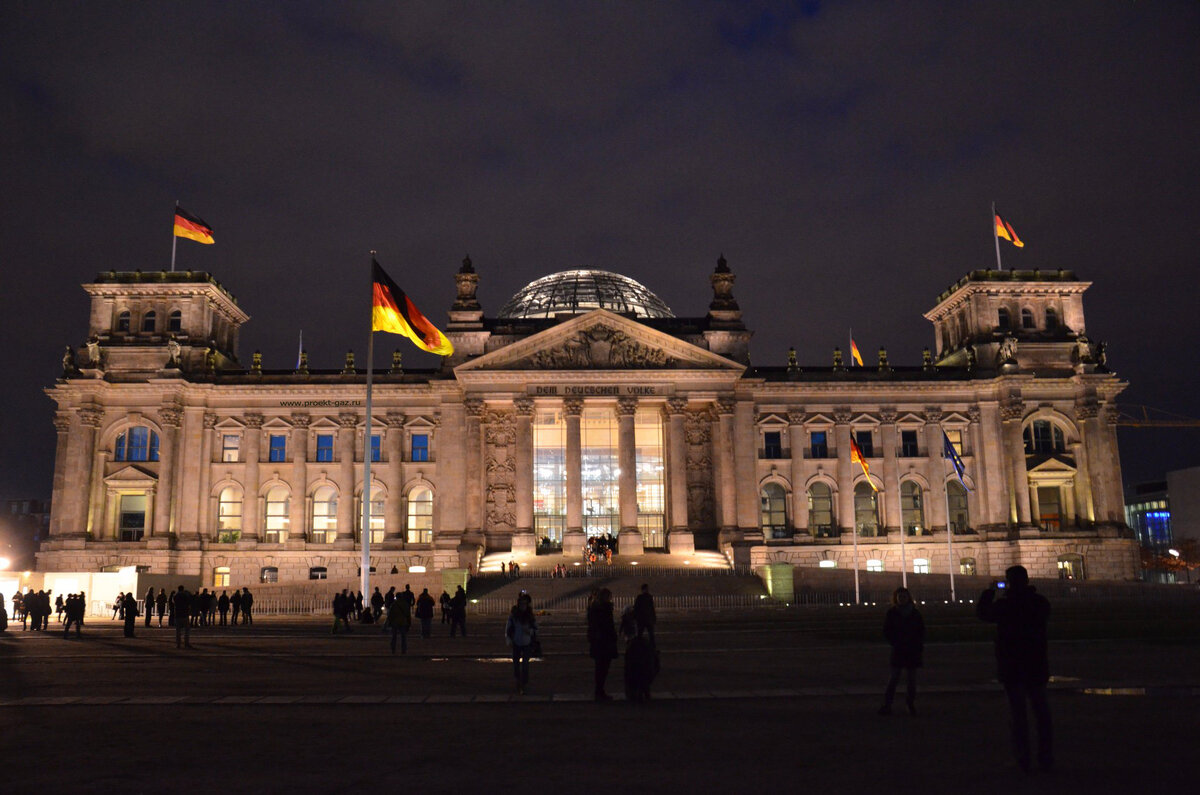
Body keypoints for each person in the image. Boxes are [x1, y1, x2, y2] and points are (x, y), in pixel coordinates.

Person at [977, 565, 1053, 773]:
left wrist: (990, 591)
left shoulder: (1005, 605)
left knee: (1018, 715)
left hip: (1013, 666)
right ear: (1027, 580)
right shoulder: (1040, 602)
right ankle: (1046, 758)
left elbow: (982, 613)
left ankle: (1023, 759)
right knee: (1042, 713)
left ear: (1009, 582)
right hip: (1036, 664)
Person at [879, 587, 924, 716]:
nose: (902, 599)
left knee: (911, 680)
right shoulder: (892, 613)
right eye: (900, 597)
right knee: (894, 678)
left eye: (904, 596)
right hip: (899, 649)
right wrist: (894, 642)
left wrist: (918, 645)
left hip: (912, 649)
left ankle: (910, 704)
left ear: (908, 598)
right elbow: (887, 630)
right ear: (896, 598)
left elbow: (921, 630)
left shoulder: (915, 613)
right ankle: (887, 705)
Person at [587, 587, 618, 701]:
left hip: (598, 642)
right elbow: (608, 626)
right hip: (604, 642)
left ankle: (599, 690)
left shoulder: (594, 608)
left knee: (600, 668)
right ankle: (599, 691)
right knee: (603, 668)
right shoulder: (604, 609)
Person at [505, 592, 538, 694]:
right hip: (516, 642)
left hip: (526, 642)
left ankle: (523, 683)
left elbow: (536, 629)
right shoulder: (514, 616)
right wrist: (508, 639)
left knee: (525, 665)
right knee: (516, 665)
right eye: (521, 604)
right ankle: (518, 681)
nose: (523, 606)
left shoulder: (530, 616)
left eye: (525, 604)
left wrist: (530, 631)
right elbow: (508, 628)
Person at [385, 590, 412, 654]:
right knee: (403, 637)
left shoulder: (394, 604)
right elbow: (408, 614)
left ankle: (393, 649)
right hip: (403, 622)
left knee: (394, 637)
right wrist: (409, 623)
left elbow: (390, 614)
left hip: (395, 622)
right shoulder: (405, 604)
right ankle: (403, 650)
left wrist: (389, 622)